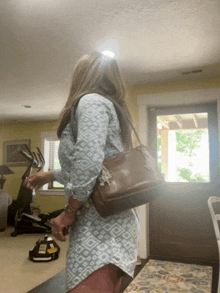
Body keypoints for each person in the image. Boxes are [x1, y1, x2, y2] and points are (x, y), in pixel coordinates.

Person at [25, 51, 140, 293]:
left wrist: (68, 212)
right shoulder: (112, 107)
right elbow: (95, 169)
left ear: (82, 76)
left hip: (100, 226)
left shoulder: (91, 102)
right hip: (111, 221)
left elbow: (89, 162)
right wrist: (49, 175)